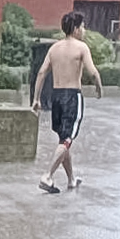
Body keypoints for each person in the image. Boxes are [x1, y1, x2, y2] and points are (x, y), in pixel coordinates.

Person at [33, 11, 102, 194]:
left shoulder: (54, 48)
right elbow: (93, 72)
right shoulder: (81, 48)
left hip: (56, 96)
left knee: (63, 140)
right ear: (76, 29)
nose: (84, 30)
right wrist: (99, 88)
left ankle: (71, 179)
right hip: (72, 97)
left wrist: (36, 99)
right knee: (67, 140)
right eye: (83, 26)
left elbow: (41, 72)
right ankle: (47, 176)